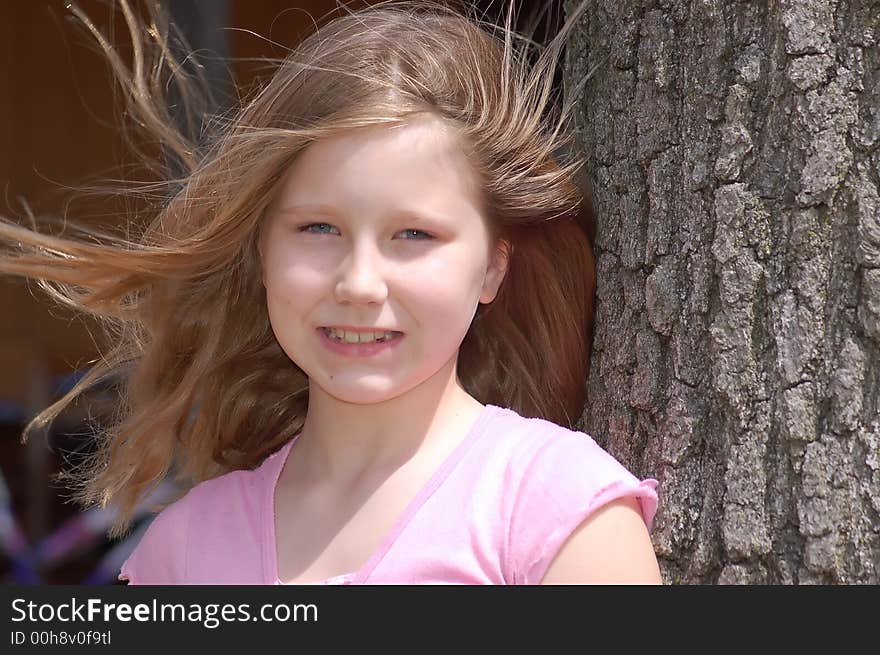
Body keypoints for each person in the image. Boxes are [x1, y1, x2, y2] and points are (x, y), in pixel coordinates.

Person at [0, 0, 661, 584]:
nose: (359, 283)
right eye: (319, 228)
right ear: (262, 251)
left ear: (492, 268)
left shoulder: (555, 508)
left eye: (413, 235)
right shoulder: (182, 550)